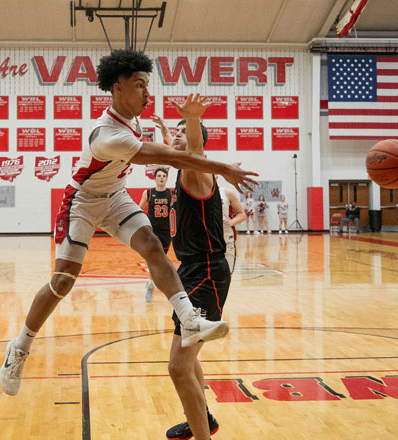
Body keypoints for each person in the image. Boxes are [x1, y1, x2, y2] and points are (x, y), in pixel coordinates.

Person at [0, 50, 258, 396]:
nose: (147, 93)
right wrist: (223, 168)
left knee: (152, 245)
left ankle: (189, 319)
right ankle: (19, 347)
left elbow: (172, 151)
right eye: (139, 85)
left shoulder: (132, 121)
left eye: (147, 84)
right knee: (62, 281)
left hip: (116, 197)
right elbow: (171, 157)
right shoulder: (107, 135)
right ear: (117, 88)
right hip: (83, 202)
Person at [163, 99, 230, 440]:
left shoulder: (195, 170)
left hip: (206, 272)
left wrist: (192, 119)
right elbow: (178, 147)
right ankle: (201, 416)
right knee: (188, 358)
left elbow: (193, 147)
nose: (174, 137)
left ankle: (202, 432)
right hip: (189, 271)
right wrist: (169, 130)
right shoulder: (181, 170)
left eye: (181, 133)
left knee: (178, 367)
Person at [138, 167, 173, 302]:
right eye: (159, 176)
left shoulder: (171, 194)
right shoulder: (148, 193)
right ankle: (151, 286)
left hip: (166, 231)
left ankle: (151, 283)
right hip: (152, 231)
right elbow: (140, 209)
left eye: (164, 176)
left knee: (161, 260)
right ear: (155, 178)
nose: (161, 178)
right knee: (153, 259)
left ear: (166, 178)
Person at [219, 185, 246, 274]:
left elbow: (242, 214)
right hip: (205, 241)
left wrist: (231, 222)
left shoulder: (227, 193)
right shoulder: (198, 192)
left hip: (226, 238)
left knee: (227, 274)